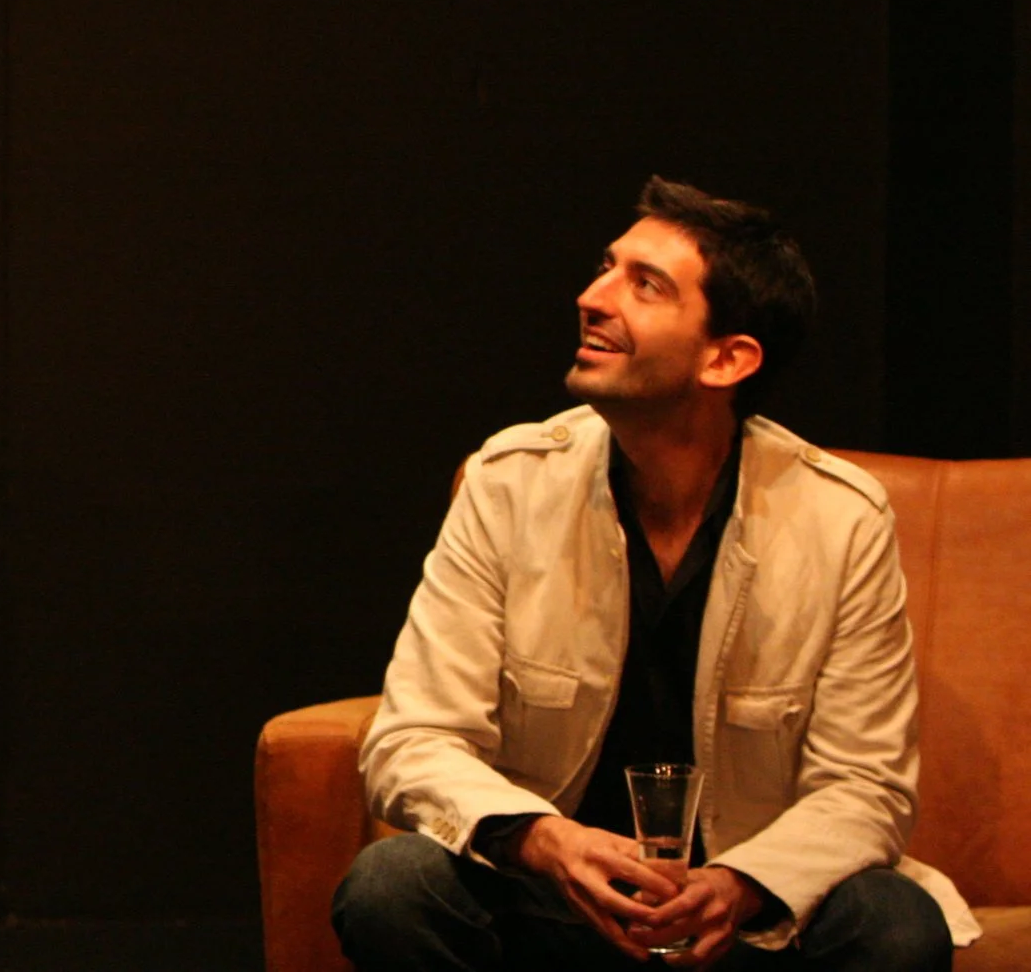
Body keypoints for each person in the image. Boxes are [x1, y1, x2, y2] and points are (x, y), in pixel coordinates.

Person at [333, 177, 977, 970]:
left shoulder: (839, 518)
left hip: (744, 921)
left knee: (896, 924)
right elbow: (413, 739)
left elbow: (866, 786)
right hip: (555, 902)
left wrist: (740, 883)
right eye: (607, 268)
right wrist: (549, 842)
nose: (592, 298)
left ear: (727, 357)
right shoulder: (510, 482)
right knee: (392, 885)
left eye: (645, 285)